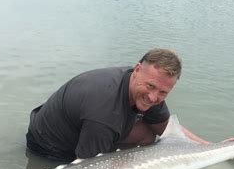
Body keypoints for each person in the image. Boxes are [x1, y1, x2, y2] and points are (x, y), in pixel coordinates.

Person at [26, 48, 210, 162]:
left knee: (147, 132)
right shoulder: (104, 113)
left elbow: (168, 129)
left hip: (88, 129)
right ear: (137, 69)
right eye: (151, 87)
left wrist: (209, 148)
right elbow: (87, 168)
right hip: (50, 148)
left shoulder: (147, 87)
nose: (153, 97)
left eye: (163, 92)